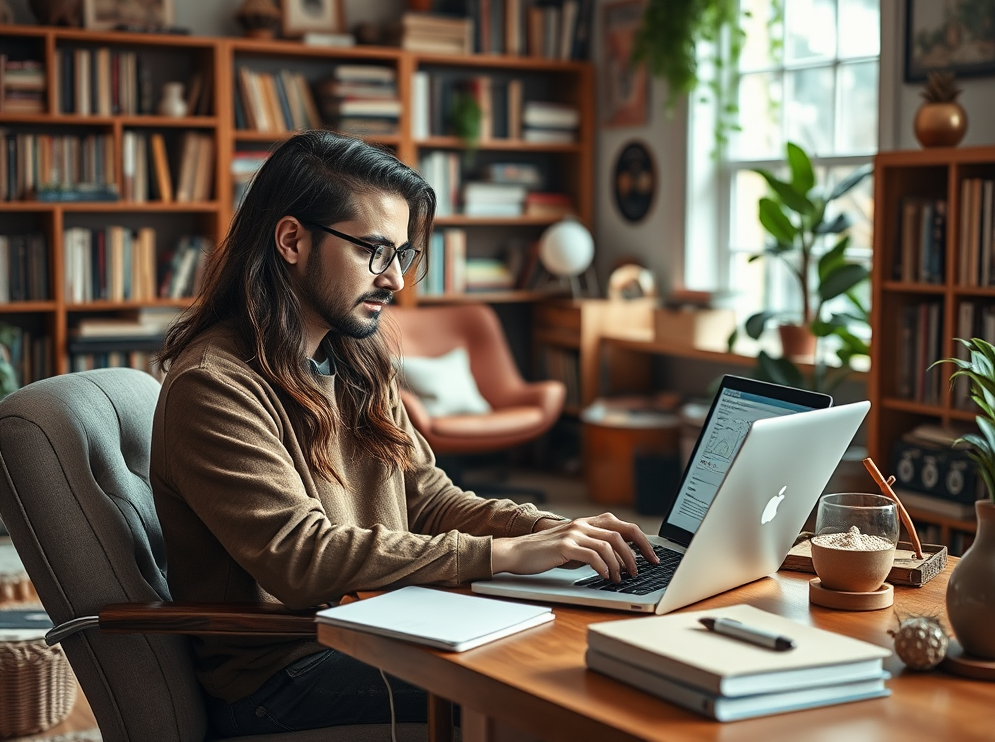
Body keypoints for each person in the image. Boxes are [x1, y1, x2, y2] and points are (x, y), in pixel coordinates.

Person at [150, 130, 656, 737]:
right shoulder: (214, 386)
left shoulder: (358, 360)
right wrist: (507, 555)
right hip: (285, 668)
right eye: (374, 250)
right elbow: (301, 559)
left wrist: (549, 530)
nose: (394, 279)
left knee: (580, 640)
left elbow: (430, 500)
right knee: (554, 688)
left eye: (401, 255)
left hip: (376, 620)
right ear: (292, 239)